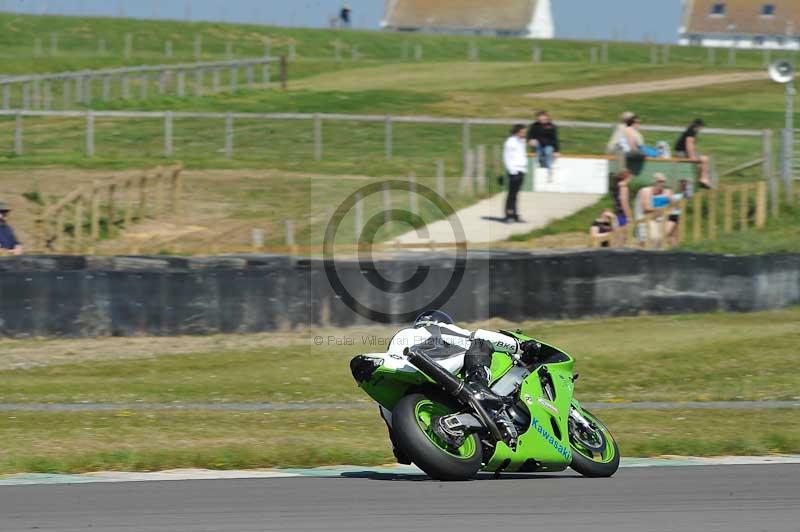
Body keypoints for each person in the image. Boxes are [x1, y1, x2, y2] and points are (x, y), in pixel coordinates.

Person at [382, 311, 541, 458]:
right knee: (480, 343)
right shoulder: (439, 328)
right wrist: (520, 345)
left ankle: (399, 444)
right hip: (433, 360)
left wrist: (402, 443)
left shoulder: (404, 334)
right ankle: (478, 384)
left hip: (400, 372)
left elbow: (391, 410)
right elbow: (478, 335)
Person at [634, 173, 673, 247]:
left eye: (663, 181)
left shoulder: (666, 192)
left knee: (658, 238)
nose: (661, 183)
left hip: (654, 218)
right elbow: (646, 208)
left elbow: (673, 206)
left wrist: (668, 206)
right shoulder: (645, 191)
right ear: (653, 182)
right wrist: (664, 209)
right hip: (643, 217)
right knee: (644, 240)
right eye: (659, 181)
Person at [675, 118, 711, 189]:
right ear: (698, 126)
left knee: (703, 160)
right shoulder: (692, 131)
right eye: (701, 127)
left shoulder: (689, 130)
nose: (701, 129)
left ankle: (703, 180)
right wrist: (692, 158)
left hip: (681, 152)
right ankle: (703, 180)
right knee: (705, 159)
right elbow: (689, 145)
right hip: (682, 153)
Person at [503, 124, 528, 223]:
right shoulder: (510, 142)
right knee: (511, 194)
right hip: (514, 171)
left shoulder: (522, 141)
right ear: (517, 132)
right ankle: (508, 215)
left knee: (516, 194)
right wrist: (512, 170)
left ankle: (515, 214)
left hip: (521, 170)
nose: (524, 133)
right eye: (523, 131)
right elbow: (506, 157)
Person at [667, 178, 692, 246]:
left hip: (678, 215)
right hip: (672, 214)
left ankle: (675, 247)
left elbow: (689, 198)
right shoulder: (675, 192)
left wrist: (689, 186)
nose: (683, 184)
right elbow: (670, 201)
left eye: (684, 183)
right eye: (682, 183)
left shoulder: (685, 193)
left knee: (675, 234)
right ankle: (674, 246)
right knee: (670, 234)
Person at [612, 169, 634, 246]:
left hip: (617, 213)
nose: (631, 179)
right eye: (631, 177)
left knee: (617, 239)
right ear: (627, 177)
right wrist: (629, 217)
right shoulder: (624, 187)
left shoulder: (617, 186)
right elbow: (624, 202)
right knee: (621, 239)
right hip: (622, 216)